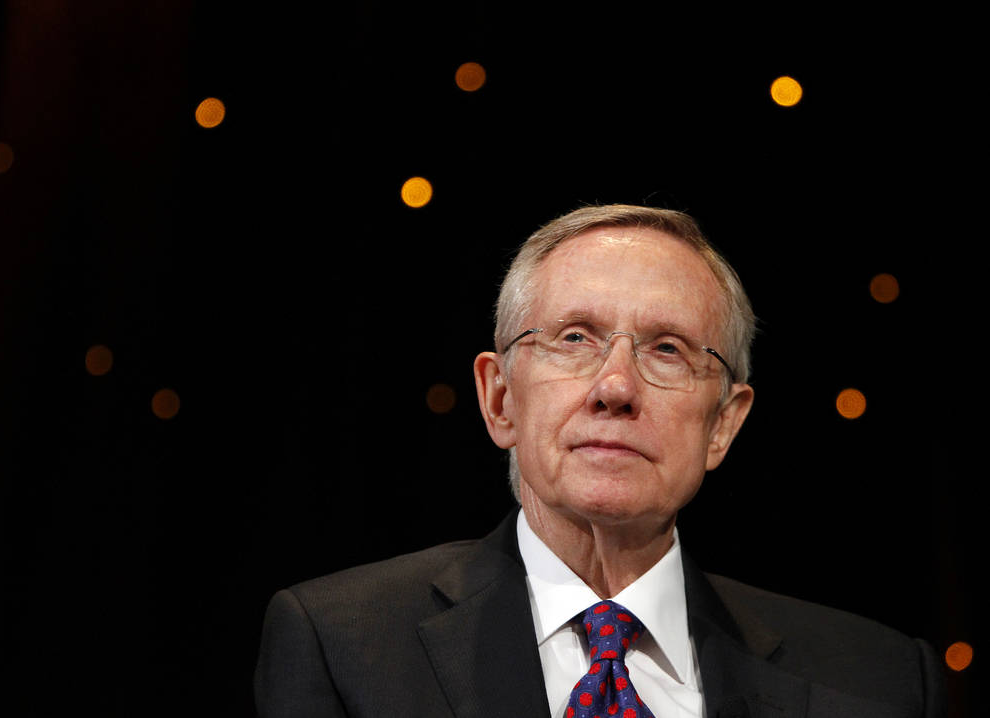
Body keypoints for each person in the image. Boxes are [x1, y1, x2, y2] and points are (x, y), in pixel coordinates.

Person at [254, 204, 945, 717]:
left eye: (668, 349)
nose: (616, 387)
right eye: (575, 337)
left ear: (723, 426)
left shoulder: (878, 683)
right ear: (500, 400)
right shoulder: (343, 644)